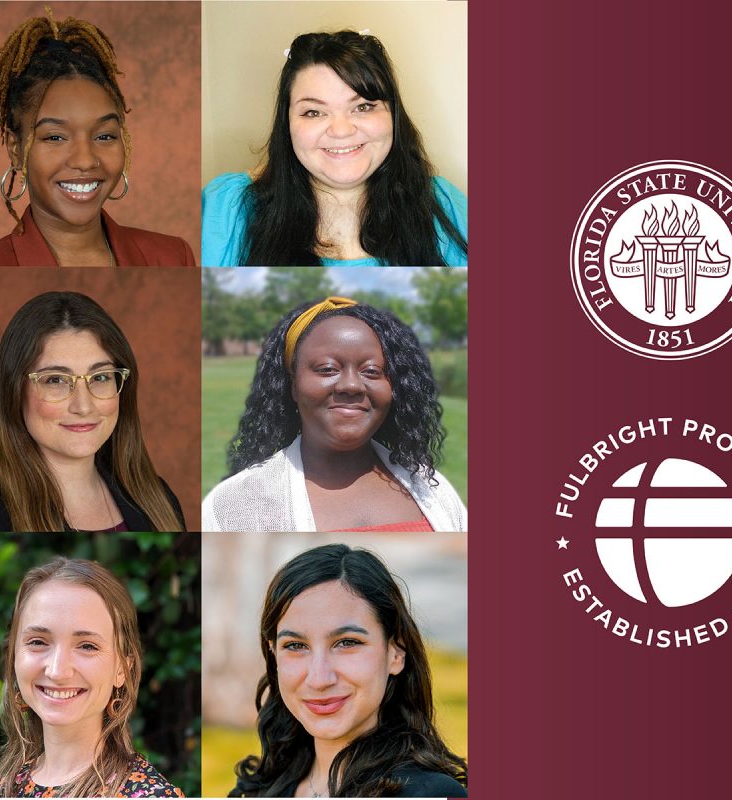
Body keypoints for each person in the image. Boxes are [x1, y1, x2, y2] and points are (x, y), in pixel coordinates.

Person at [202, 30, 467, 267]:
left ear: (394, 116)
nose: (341, 130)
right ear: (287, 125)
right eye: (314, 112)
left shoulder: (444, 206)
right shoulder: (227, 209)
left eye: (363, 106)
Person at [0, 11, 194, 267]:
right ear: (15, 149)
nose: (85, 160)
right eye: (55, 137)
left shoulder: (173, 257)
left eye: (104, 136)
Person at [203, 297, 466, 532]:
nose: (351, 385)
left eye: (372, 371)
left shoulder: (431, 489)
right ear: (293, 385)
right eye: (328, 369)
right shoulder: (235, 505)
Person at [230, 543, 466, 797]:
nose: (319, 679)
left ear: (396, 652)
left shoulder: (429, 793)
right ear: (274, 654)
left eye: (347, 643)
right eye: (296, 645)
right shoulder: (257, 789)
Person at [0, 292, 183, 532]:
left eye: (100, 377)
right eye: (56, 380)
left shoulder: (158, 500)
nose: (83, 406)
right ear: (14, 391)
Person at [0, 557, 182, 797]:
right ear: (14, 657)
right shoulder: (2, 787)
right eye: (37, 642)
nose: (57, 671)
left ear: (122, 669)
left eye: (87, 646)